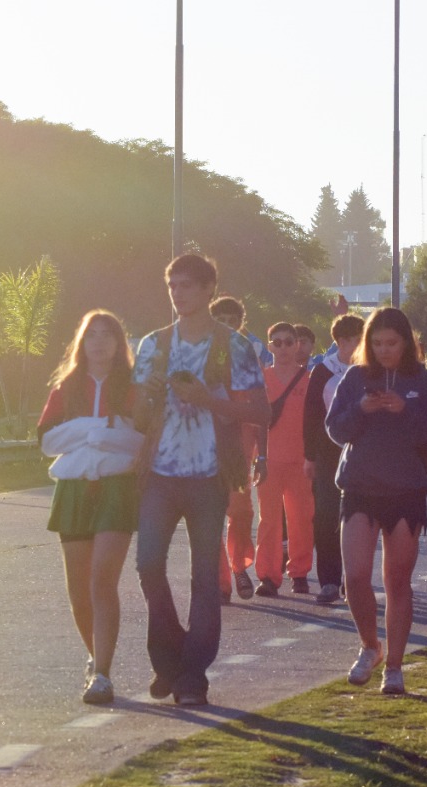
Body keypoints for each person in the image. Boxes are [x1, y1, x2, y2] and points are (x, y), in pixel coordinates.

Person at [132, 254, 269, 706]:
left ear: (210, 289)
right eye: (172, 285)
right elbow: (136, 415)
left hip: (210, 475)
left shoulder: (233, 346)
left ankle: (192, 675)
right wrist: (149, 399)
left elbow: (261, 412)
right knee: (147, 564)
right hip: (159, 474)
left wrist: (208, 399)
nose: (178, 294)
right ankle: (170, 654)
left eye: (187, 285)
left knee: (204, 578)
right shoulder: (154, 344)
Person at [326, 307, 427, 695]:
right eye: (376, 343)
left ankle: (394, 666)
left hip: (406, 491)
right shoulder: (355, 377)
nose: (384, 350)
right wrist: (361, 409)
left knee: (397, 581)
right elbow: (335, 429)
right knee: (355, 576)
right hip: (359, 487)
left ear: (406, 342)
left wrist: (404, 409)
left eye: (391, 343)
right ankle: (369, 647)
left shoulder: (424, 381)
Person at [37, 310, 139, 705]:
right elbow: (48, 442)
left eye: (106, 335)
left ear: (118, 343)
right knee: (79, 591)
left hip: (116, 489)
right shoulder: (66, 387)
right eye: (91, 335)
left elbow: (140, 440)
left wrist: (86, 434)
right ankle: (94, 657)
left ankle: (103, 674)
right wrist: (97, 430)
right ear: (81, 342)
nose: (98, 342)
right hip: (73, 491)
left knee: (101, 581)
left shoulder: (132, 386)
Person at [302, 314, 364, 605]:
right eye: (353, 340)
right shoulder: (323, 371)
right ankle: (329, 580)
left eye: (362, 339)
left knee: (358, 517)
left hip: (362, 452)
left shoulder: (370, 370)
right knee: (326, 515)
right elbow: (311, 415)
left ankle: (355, 580)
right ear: (340, 341)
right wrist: (309, 456)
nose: (359, 345)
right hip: (327, 453)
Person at [252, 322, 315, 596]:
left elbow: (316, 422)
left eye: (289, 342)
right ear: (269, 346)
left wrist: (313, 457)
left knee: (301, 519)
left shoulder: (308, 379)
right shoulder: (262, 379)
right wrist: (258, 457)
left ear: (297, 344)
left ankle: (299, 573)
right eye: (277, 342)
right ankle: (268, 576)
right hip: (269, 459)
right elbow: (256, 420)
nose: (284, 347)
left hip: (300, 461)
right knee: (269, 521)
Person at [208, 295, 261, 600]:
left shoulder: (247, 356)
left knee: (240, 510)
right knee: (210, 513)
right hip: (206, 443)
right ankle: (219, 581)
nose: (227, 326)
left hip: (240, 444)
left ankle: (239, 566)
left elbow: (261, 408)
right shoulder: (198, 355)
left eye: (233, 321)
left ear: (241, 324)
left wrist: (263, 454)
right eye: (221, 320)